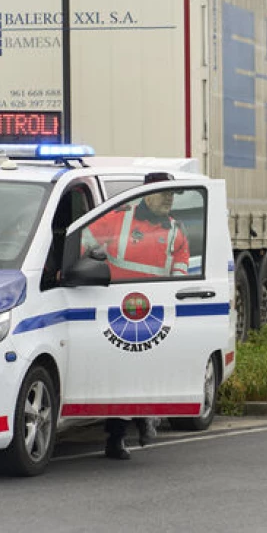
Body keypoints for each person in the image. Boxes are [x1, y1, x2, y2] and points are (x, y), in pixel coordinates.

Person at [84, 189, 190, 460]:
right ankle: (117, 436)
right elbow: (81, 246)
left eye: (172, 196)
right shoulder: (117, 219)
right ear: (147, 196)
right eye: (163, 195)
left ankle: (145, 419)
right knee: (119, 375)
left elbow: (181, 277)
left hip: (153, 315)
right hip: (114, 310)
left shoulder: (176, 233)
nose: (169, 199)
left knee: (148, 373)